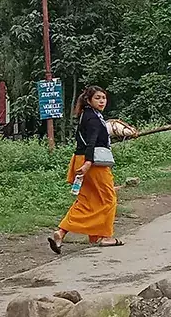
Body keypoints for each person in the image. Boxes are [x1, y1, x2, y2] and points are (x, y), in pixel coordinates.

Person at [48, 86, 122, 252]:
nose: (102, 101)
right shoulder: (94, 119)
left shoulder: (86, 115)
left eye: (103, 97)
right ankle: (105, 236)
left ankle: (61, 231)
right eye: (98, 98)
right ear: (89, 100)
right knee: (109, 198)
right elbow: (92, 141)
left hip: (80, 159)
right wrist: (89, 162)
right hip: (93, 163)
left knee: (87, 200)